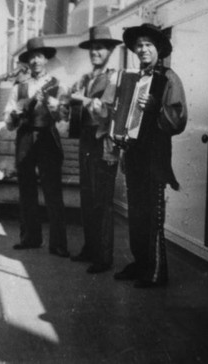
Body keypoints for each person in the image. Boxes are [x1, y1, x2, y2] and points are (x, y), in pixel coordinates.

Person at [103, 23, 187, 288]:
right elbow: (122, 114)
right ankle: (139, 263)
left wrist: (154, 109)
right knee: (136, 213)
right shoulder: (132, 78)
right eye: (139, 45)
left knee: (153, 215)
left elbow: (177, 121)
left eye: (148, 45)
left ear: (158, 49)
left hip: (155, 155)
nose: (143, 49)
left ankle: (155, 272)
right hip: (134, 154)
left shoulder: (169, 78)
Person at [4, 36, 69, 257]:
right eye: (31, 58)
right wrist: (14, 114)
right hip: (24, 138)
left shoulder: (58, 85)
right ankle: (30, 238)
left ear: (46, 59)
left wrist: (57, 106)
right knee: (26, 189)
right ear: (27, 62)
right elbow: (9, 122)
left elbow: (65, 119)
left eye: (39, 56)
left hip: (48, 138)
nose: (35, 61)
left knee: (52, 191)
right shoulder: (19, 87)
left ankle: (58, 244)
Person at [69, 25, 122, 273]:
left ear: (110, 50)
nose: (95, 52)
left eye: (100, 48)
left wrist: (84, 100)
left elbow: (107, 112)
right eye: (92, 48)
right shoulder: (86, 79)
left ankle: (103, 257)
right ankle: (90, 248)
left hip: (103, 142)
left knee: (102, 201)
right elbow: (74, 111)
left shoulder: (114, 78)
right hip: (86, 140)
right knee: (87, 198)